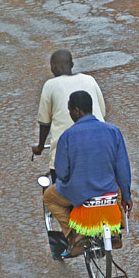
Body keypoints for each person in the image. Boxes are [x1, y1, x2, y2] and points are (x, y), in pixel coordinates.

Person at [43, 91, 132, 257]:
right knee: (118, 191)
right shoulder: (113, 131)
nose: (70, 114)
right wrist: (127, 196)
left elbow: (62, 173)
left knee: (48, 196)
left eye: (70, 110)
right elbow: (123, 169)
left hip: (80, 195)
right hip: (108, 192)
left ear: (77, 111)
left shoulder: (67, 136)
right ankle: (115, 231)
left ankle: (73, 235)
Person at [32, 49, 106, 182]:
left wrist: (40, 146)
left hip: (65, 157)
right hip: (98, 152)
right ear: (71, 64)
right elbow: (102, 111)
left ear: (53, 67)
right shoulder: (90, 80)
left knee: (53, 198)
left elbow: (44, 123)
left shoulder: (50, 85)